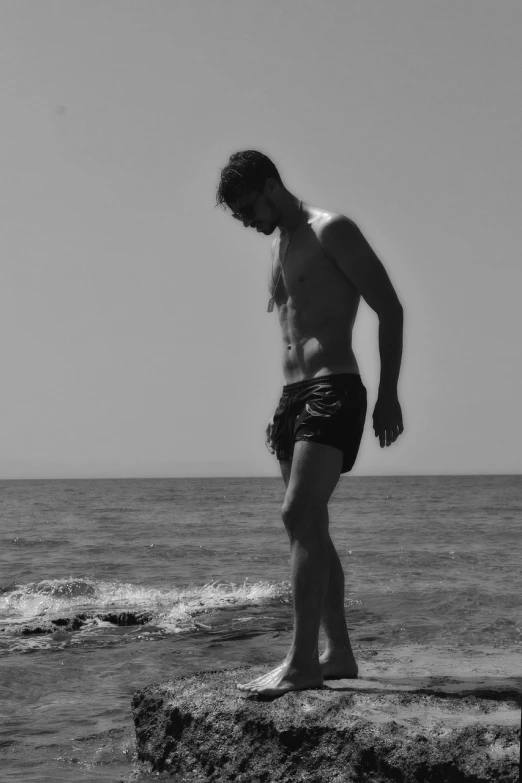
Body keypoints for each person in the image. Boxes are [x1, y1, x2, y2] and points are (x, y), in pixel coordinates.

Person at [216, 150, 404, 697]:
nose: (247, 222)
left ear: (272, 187)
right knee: (311, 526)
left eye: (249, 208)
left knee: (296, 513)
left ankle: (301, 664)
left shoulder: (332, 230)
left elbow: (389, 307)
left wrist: (387, 395)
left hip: (334, 388)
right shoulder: (278, 247)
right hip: (292, 396)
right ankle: (338, 653)